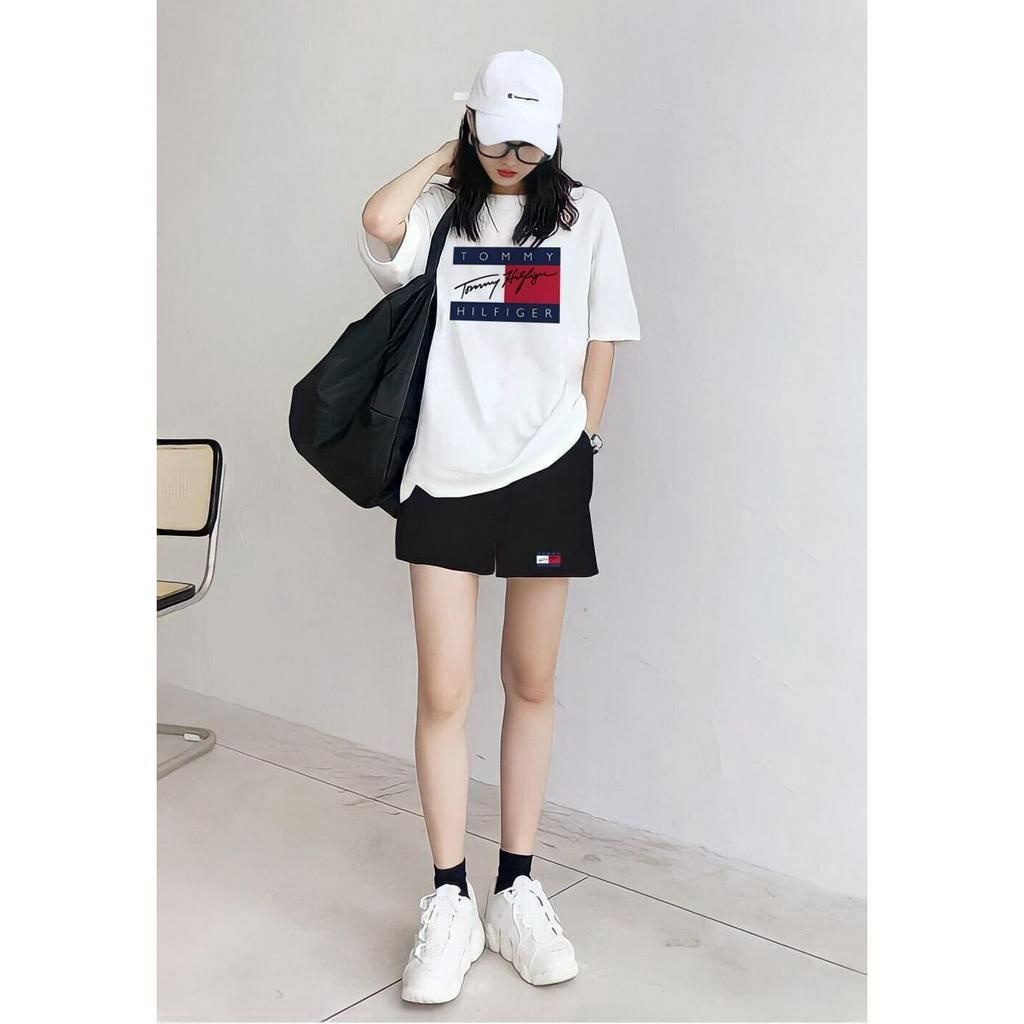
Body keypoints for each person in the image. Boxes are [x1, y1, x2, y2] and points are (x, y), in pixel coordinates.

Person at [357, 48, 641, 1004]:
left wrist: (584, 439)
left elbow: (604, 332)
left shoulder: (585, 216)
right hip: (444, 472)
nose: (513, 156)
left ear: (555, 136)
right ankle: (451, 899)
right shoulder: (443, 210)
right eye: (496, 135)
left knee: (531, 679)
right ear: (472, 122)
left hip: (546, 470)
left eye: (531, 141)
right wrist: (445, 158)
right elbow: (379, 224)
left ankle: (517, 887)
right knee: (444, 689)